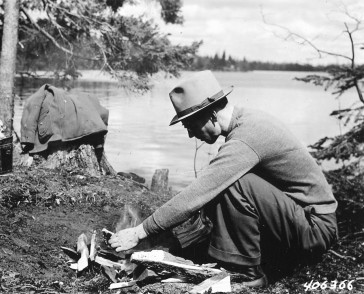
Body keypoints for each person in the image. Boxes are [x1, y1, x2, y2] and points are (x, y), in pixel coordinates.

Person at [108, 70, 338, 287]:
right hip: (297, 221)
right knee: (225, 184)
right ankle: (244, 258)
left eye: (190, 124)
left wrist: (140, 231)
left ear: (211, 114)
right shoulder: (246, 123)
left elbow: (197, 193)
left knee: (232, 184)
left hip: (315, 230)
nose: (190, 134)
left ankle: (247, 274)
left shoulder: (247, 138)